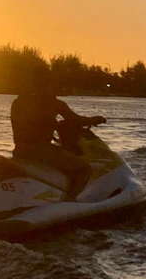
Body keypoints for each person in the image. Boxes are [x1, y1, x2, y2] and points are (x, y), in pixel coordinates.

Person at [10, 65, 106, 201]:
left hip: (20, 151)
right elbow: (78, 120)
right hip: (42, 152)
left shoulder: (18, 102)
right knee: (84, 170)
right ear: (48, 82)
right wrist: (96, 119)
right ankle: (70, 200)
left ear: (31, 81)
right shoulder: (53, 103)